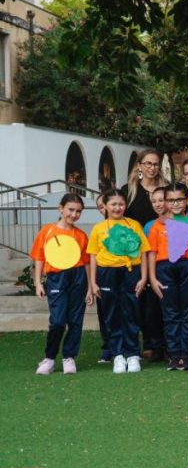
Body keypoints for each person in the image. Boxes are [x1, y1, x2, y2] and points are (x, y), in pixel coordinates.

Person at [87, 188, 150, 374]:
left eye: (121, 204)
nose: (117, 208)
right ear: (104, 206)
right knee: (111, 314)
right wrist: (93, 282)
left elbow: (144, 252)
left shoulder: (134, 225)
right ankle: (118, 355)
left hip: (131, 272)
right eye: (113, 204)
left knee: (131, 312)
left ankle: (132, 354)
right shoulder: (98, 228)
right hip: (106, 273)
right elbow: (92, 256)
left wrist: (144, 277)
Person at [147, 183, 188, 371]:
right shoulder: (158, 226)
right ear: (165, 202)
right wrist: (152, 278)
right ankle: (173, 354)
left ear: (186, 200)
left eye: (180, 199)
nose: (175, 203)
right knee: (170, 313)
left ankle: (186, 353)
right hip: (164, 269)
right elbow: (152, 253)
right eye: (171, 200)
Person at [32, 194, 92, 375]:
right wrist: (38, 282)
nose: (74, 214)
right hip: (56, 278)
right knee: (58, 321)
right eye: (71, 210)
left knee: (75, 320)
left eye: (78, 211)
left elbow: (87, 262)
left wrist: (89, 287)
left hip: (78, 277)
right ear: (61, 209)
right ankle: (49, 358)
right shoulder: (47, 232)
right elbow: (39, 258)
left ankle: (69, 357)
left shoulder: (80, 235)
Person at [124, 149, 169, 362]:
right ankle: (145, 343)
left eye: (156, 164)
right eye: (148, 163)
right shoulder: (129, 191)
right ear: (139, 165)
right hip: (135, 254)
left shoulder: (166, 191)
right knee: (139, 301)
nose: (152, 168)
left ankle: (160, 343)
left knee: (158, 299)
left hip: (162, 251)